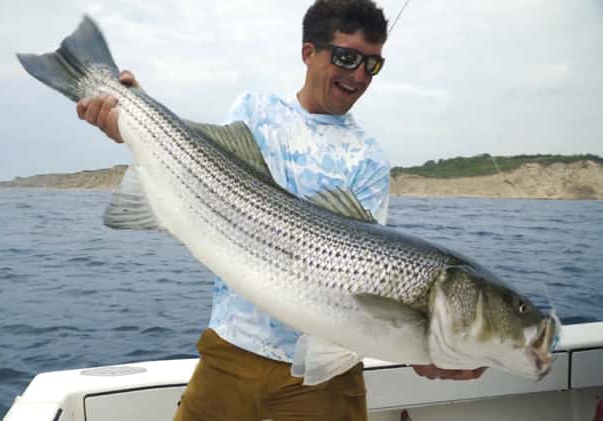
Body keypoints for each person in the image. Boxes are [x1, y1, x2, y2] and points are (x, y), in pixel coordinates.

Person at [77, 1, 485, 419]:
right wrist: (133, 115)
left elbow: (365, 278)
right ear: (309, 52)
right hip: (233, 347)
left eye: (372, 65)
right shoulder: (256, 111)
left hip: (325, 369)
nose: (359, 75)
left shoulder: (368, 158)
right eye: (346, 57)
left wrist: (426, 345)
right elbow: (190, 163)